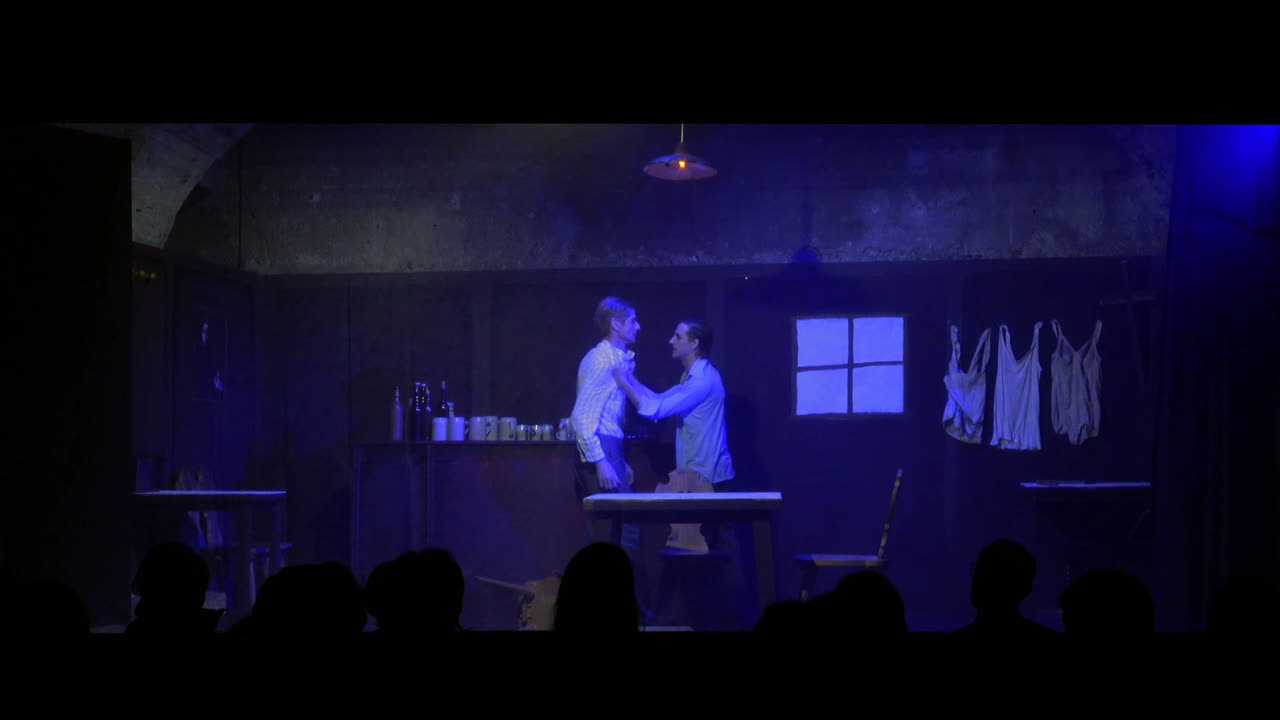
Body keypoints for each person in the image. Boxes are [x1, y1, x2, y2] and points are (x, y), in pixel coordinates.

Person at [613, 318, 747, 628]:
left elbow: (655, 411)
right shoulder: (691, 378)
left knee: (722, 557)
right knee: (707, 556)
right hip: (699, 481)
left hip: (711, 481)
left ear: (694, 343)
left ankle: (735, 622)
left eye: (678, 336)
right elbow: (658, 399)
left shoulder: (703, 381)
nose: (671, 341)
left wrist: (622, 382)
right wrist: (631, 379)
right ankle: (717, 620)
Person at [569, 297, 643, 587]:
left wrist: (619, 460)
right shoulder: (601, 359)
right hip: (599, 447)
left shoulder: (616, 358)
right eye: (633, 321)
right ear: (615, 324)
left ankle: (616, 599)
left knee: (618, 529)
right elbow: (581, 416)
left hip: (610, 446)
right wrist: (601, 460)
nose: (638, 326)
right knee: (610, 532)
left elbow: (608, 414)